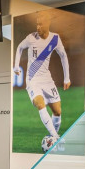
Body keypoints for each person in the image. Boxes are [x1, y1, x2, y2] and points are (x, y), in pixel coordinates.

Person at [14, 12, 70, 150]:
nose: (38, 27)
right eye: (37, 24)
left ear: (48, 24)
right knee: (40, 103)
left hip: (47, 79)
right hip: (32, 79)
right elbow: (20, 47)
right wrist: (16, 66)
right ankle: (56, 138)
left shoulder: (55, 39)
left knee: (57, 111)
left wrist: (66, 78)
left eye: (41, 24)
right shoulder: (31, 38)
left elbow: (63, 56)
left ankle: (53, 138)